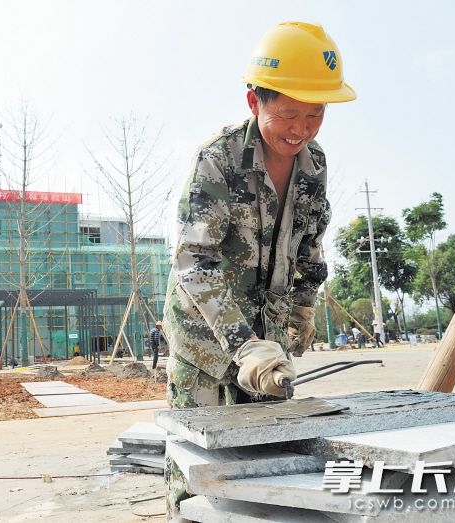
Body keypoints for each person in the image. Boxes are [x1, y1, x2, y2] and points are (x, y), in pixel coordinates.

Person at [161, 21, 355, 519]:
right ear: (255, 103)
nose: (300, 130)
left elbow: (310, 248)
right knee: (197, 472)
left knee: (265, 467)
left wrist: (303, 311)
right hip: (206, 340)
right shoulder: (219, 160)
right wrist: (243, 343)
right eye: (288, 114)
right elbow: (194, 261)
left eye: (315, 116)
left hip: (270, 348)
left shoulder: (315, 166)